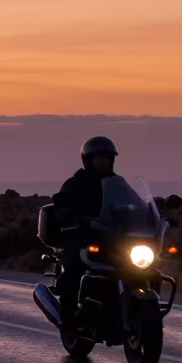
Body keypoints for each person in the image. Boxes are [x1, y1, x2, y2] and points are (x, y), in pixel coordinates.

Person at [51, 136, 118, 329]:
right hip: (82, 235)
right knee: (75, 265)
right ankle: (67, 314)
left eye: (107, 158)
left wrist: (151, 212)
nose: (104, 162)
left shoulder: (117, 183)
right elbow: (62, 202)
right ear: (88, 160)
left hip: (111, 236)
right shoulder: (76, 182)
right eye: (99, 158)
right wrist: (67, 212)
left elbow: (131, 201)